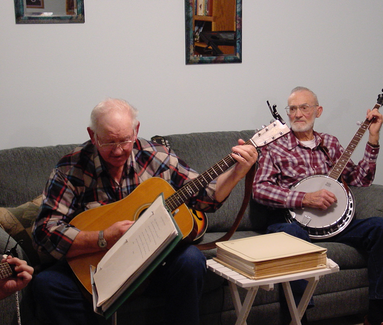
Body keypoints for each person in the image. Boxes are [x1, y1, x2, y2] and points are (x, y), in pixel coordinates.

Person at [31, 98, 257, 325]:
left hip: (153, 267)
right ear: (93, 135)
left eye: (125, 140)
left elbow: (205, 197)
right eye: (109, 142)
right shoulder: (71, 168)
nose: (118, 150)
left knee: (191, 259)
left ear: (136, 130)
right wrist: (103, 238)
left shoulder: (156, 156)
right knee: (46, 283)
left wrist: (237, 173)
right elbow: (44, 232)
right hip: (97, 269)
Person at [253, 86, 383, 325]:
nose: (298, 114)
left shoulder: (330, 143)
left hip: (333, 224)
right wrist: (304, 199)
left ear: (318, 111)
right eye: (293, 109)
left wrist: (373, 138)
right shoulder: (274, 146)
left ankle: (377, 313)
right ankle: (299, 318)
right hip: (290, 224)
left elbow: (361, 180)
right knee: (293, 235)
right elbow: (260, 189)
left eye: (304, 107)